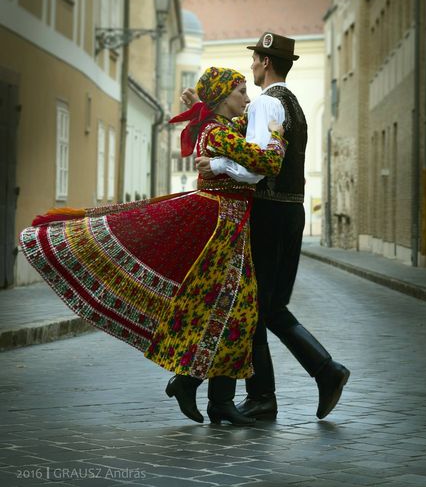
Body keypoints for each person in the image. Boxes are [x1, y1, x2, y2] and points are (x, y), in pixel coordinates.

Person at [19, 66, 286, 426]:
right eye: (241, 92)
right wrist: (277, 136)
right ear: (224, 97)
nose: (248, 98)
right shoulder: (216, 133)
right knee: (231, 309)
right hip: (218, 228)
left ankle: (208, 393)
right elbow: (266, 159)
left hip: (232, 225)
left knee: (233, 310)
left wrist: (201, 105)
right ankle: (203, 391)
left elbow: (241, 133)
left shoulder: (221, 128)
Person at [192, 33, 350, 421]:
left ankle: (265, 394)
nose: (251, 67)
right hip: (293, 213)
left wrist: (217, 166)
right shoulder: (294, 105)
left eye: (255, 60)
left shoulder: (265, 103)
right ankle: (324, 372)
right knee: (272, 306)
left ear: (265, 63)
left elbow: (258, 165)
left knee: (254, 308)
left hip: (267, 214)